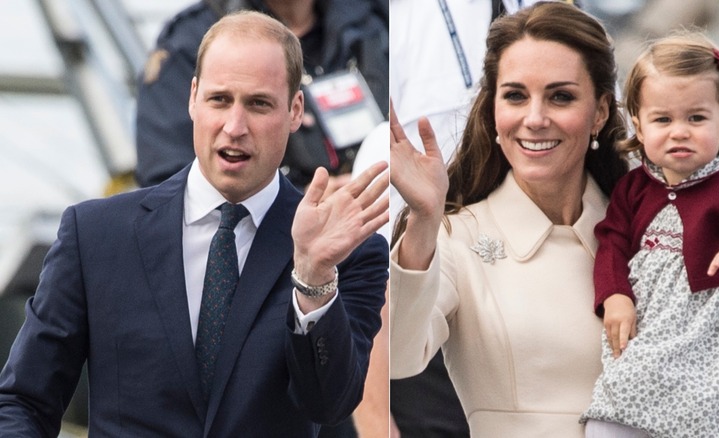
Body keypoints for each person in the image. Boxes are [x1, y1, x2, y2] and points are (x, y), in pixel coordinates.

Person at [0, 11, 389, 438]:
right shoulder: (95, 236)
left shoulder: (350, 253)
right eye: (220, 100)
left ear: (296, 110)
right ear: (192, 98)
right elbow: (23, 400)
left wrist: (314, 277)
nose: (234, 127)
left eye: (258, 104)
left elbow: (330, 404)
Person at [389, 2, 628, 436]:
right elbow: (400, 355)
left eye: (561, 96)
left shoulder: (645, 230)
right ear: (493, 110)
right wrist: (423, 221)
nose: (534, 119)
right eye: (515, 95)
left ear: (600, 112)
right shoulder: (456, 237)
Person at [581, 31, 719, 437]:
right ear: (638, 126)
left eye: (696, 118)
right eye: (662, 119)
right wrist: (614, 294)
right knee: (616, 406)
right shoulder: (633, 188)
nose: (679, 131)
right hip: (652, 328)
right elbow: (612, 243)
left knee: (713, 413)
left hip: (718, 336)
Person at [135, 0, 388, 190]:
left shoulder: (380, 21)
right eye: (221, 100)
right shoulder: (187, 47)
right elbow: (168, 194)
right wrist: (293, 208)